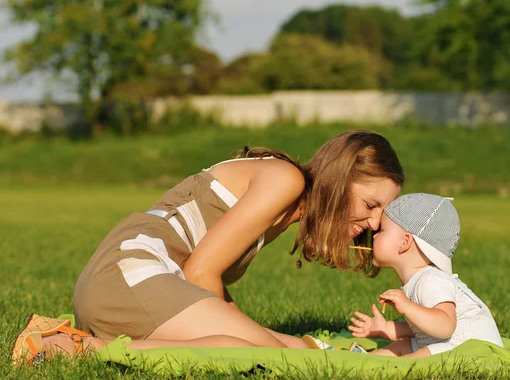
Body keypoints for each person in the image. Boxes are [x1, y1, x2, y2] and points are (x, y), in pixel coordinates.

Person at [12, 130, 405, 365]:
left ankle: (63, 341)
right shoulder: (285, 181)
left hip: (120, 280)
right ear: (340, 180)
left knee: (242, 343)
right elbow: (200, 274)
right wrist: (298, 354)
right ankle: (79, 348)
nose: (373, 224)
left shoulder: (288, 201)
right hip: (131, 277)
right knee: (258, 353)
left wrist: (303, 343)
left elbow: (207, 290)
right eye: (371, 205)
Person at [348, 193, 503, 357]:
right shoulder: (418, 279)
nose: (375, 235)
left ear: (405, 242)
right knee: (404, 345)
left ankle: (390, 367)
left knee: (418, 356)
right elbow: (424, 327)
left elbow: (445, 326)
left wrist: (408, 307)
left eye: (382, 230)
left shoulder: (430, 280)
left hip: (472, 346)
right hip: (447, 342)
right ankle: (367, 360)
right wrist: (385, 328)